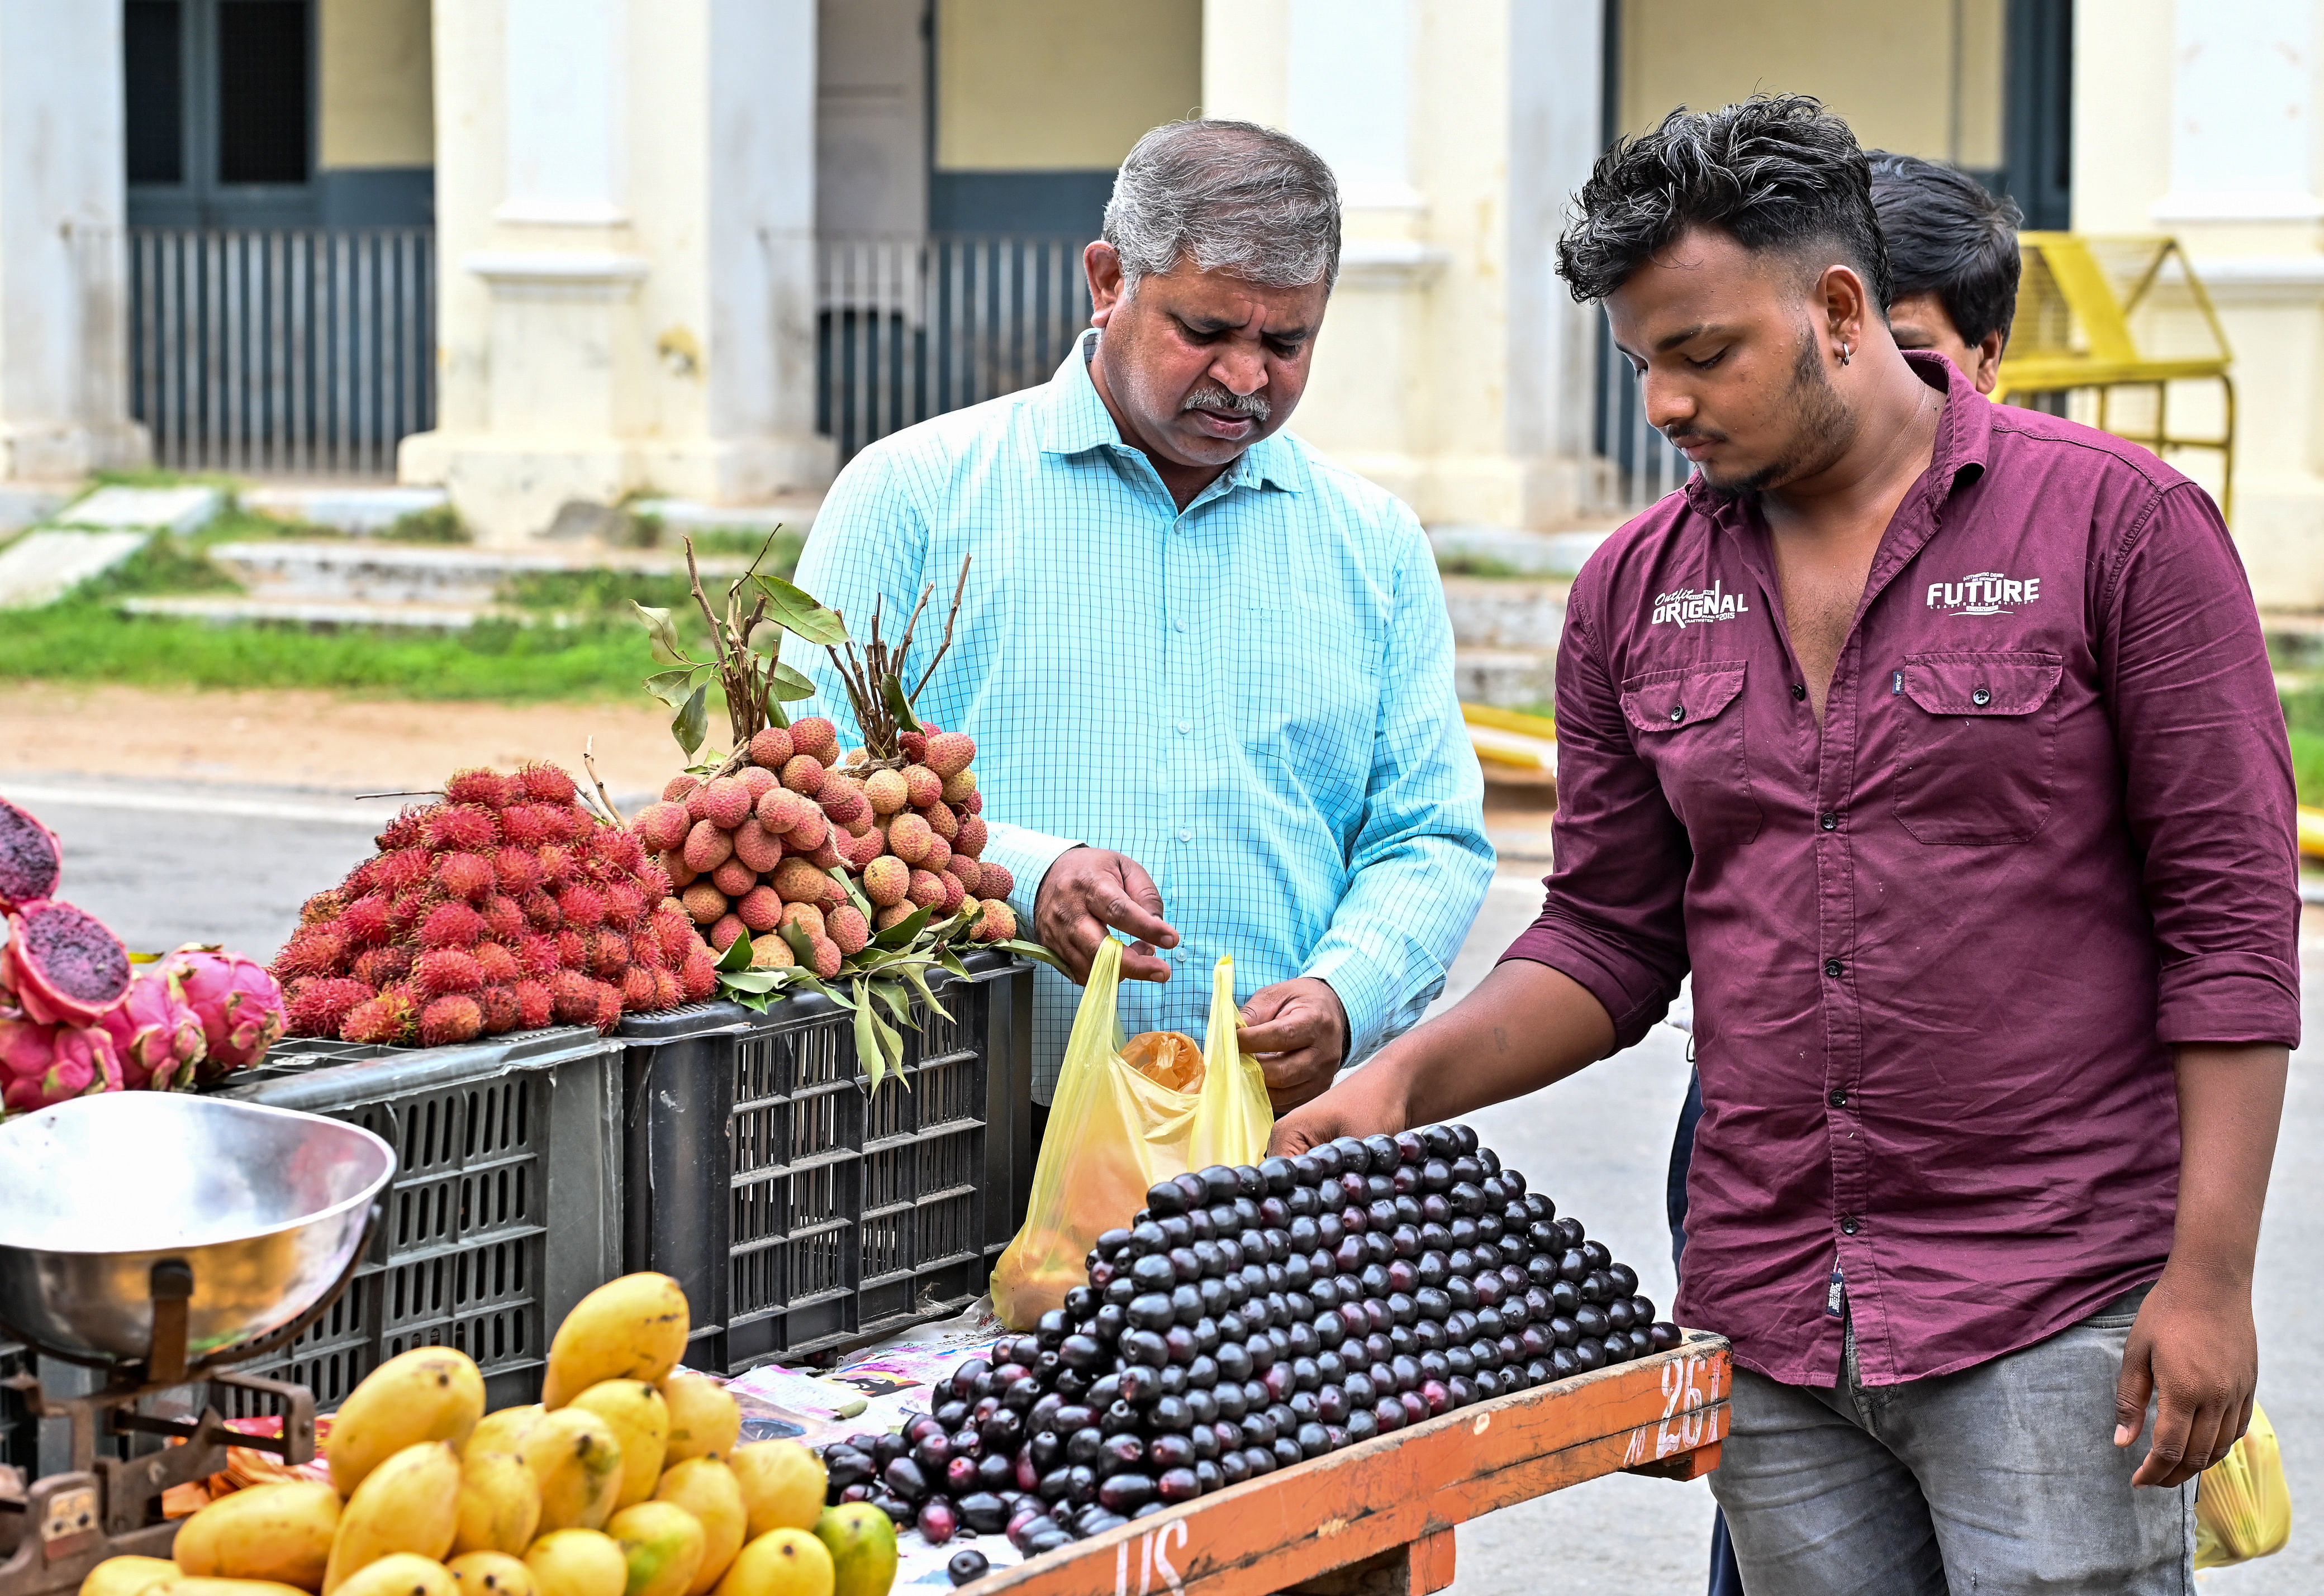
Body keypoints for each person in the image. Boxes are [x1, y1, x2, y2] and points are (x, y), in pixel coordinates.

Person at [1274, 94, 2296, 1595]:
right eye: (1641, 367)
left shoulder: (2117, 527)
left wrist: (2207, 1280)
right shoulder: (1635, 590)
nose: (1667, 407)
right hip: (1767, 1319)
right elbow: (1611, 935)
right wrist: (1403, 1082)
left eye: (1702, 355)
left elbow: (2231, 928)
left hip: (2053, 1297)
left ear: (1836, 310)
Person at [785, 119, 1493, 1136]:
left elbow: (1427, 833)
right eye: (1205, 331)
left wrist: (1347, 992)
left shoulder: (1373, 545)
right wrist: (1027, 877)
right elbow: (810, 789)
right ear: (1109, 279)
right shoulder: (914, 497)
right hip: (954, 1135)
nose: (1246, 378)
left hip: (1258, 1136)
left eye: (1286, 343)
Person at [1658, 147, 2026, 1596]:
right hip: (1756, 1155)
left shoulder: (2101, 549)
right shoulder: (1685, 570)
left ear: (1989, 353)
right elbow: (1621, 909)